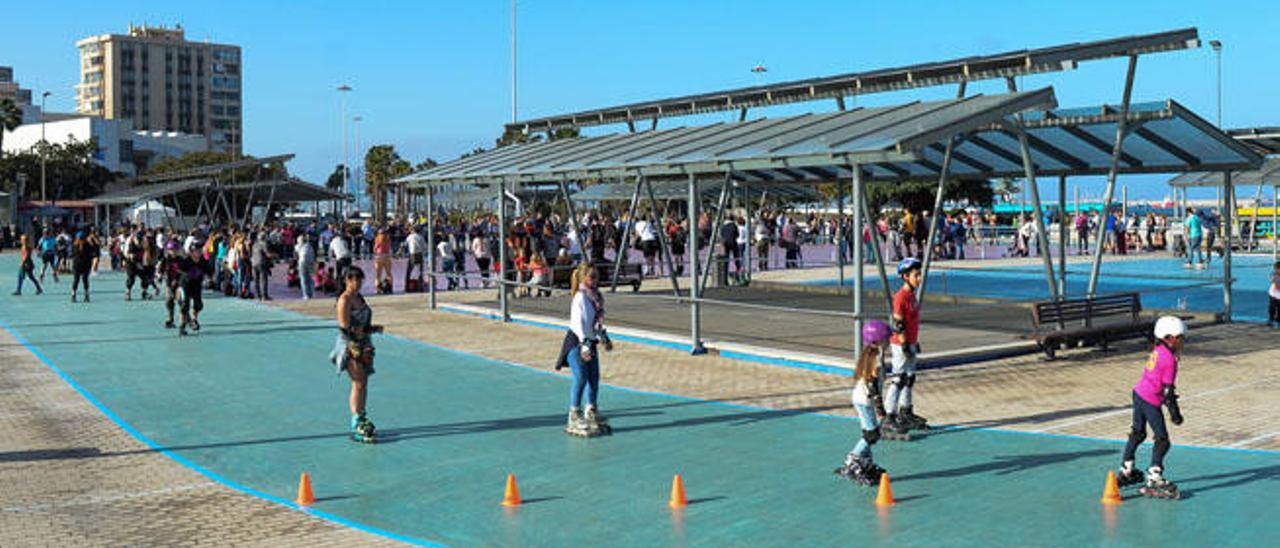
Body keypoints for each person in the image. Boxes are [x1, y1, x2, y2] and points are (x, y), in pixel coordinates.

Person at [1115, 316, 1187, 499]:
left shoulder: (1158, 349)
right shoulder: (1169, 359)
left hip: (1139, 393)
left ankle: (1126, 470)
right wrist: (1175, 414)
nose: (1183, 341)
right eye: (1180, 337)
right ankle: (1154, 477)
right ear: (1169, 338)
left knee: (1138, 433)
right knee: (1162, 440)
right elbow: (1168, 391)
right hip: (1150, 400)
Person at [834, 320, 892, 486]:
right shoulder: (874, 358)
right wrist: (880, 408)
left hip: (863, 399)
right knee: (871, 435)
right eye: (886, 339)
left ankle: (866, 463)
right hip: (864, 401)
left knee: (870, 432)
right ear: (878, 340)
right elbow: (873, 386)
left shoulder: (871, 354)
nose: (888, 342)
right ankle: (851, 462)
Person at [330, 266, 384, 443]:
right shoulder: (344, 300)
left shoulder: (359, 297)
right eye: (355, 280)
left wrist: (372, 329)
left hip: (365, 344)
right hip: (350, 347)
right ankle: (356, 420)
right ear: (347, 280)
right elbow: (345, 328)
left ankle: (362, 415)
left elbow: (363, 323)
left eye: (361, 280)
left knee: (364, 383)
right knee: (358, 382)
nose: (359, 283)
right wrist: (354, 347)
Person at [558, 263, 612, 437]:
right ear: (583, 278)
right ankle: (574, 414)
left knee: (594, 378)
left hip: (590, 342)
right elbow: (577, 323)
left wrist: (603, 337)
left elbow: (595, 322)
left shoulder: (596, 298)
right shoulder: (580, 298)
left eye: (596, 276)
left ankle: (591, 410)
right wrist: (584, 344)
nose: (595, 280)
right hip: (577, 343)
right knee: (581, 377)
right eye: (592, 277)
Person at [883, 257, 926, 439]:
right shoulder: (900, 297)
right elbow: (898, 323)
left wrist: (914, 343)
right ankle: (888, 417)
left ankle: (905, 412)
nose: (919, 278)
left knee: (909, 378)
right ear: (906, 276)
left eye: (919, 274)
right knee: (898, 379)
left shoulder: (911, 295)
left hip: (910, 343)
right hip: (901, 344)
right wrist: (905, 345)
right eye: (916, 275)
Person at [177, 246, 210, 336]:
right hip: (185, 285)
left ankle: (194, 320)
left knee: (198, 304)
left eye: (199, 251)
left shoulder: (203, 261)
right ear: (191, 252)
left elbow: (208, 271)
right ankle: (182, 326)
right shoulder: (186, 261)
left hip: (196, 285)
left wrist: (208, 277)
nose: (198, 253)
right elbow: (179, 270)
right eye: (196, 251)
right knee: (185, 306)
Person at [70, 231, 95, 302]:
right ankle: (86, 295)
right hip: (85, 265)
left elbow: (71, 255)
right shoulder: (88, 245)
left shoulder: (74, 245)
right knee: (85, 280)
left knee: (76, 280)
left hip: (77, 265)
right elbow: (93, 253)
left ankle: (73, 295)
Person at [296, 233, 316, 300]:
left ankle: (306, 294)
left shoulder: (298, 246)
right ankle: (311, 293)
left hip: (302, 262)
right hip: (310, 262)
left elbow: (296, 255)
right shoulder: (309, 246)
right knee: (310, 278)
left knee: (303, 279)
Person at [1268, 261, 1280, 329]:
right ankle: (1271, 320)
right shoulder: (1274, 274)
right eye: (1276, 269)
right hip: (1273, 294)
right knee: (1272, 308)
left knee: (1279, 309)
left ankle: (1278, 320)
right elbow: (1273, 281)